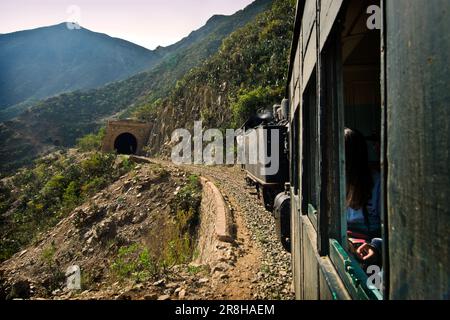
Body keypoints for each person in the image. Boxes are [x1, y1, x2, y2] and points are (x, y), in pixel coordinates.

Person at [345, 128, 382, 266]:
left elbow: (391, 230)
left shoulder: (377, 183)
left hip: (370, 250)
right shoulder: (335, 184)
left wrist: (376, 247)